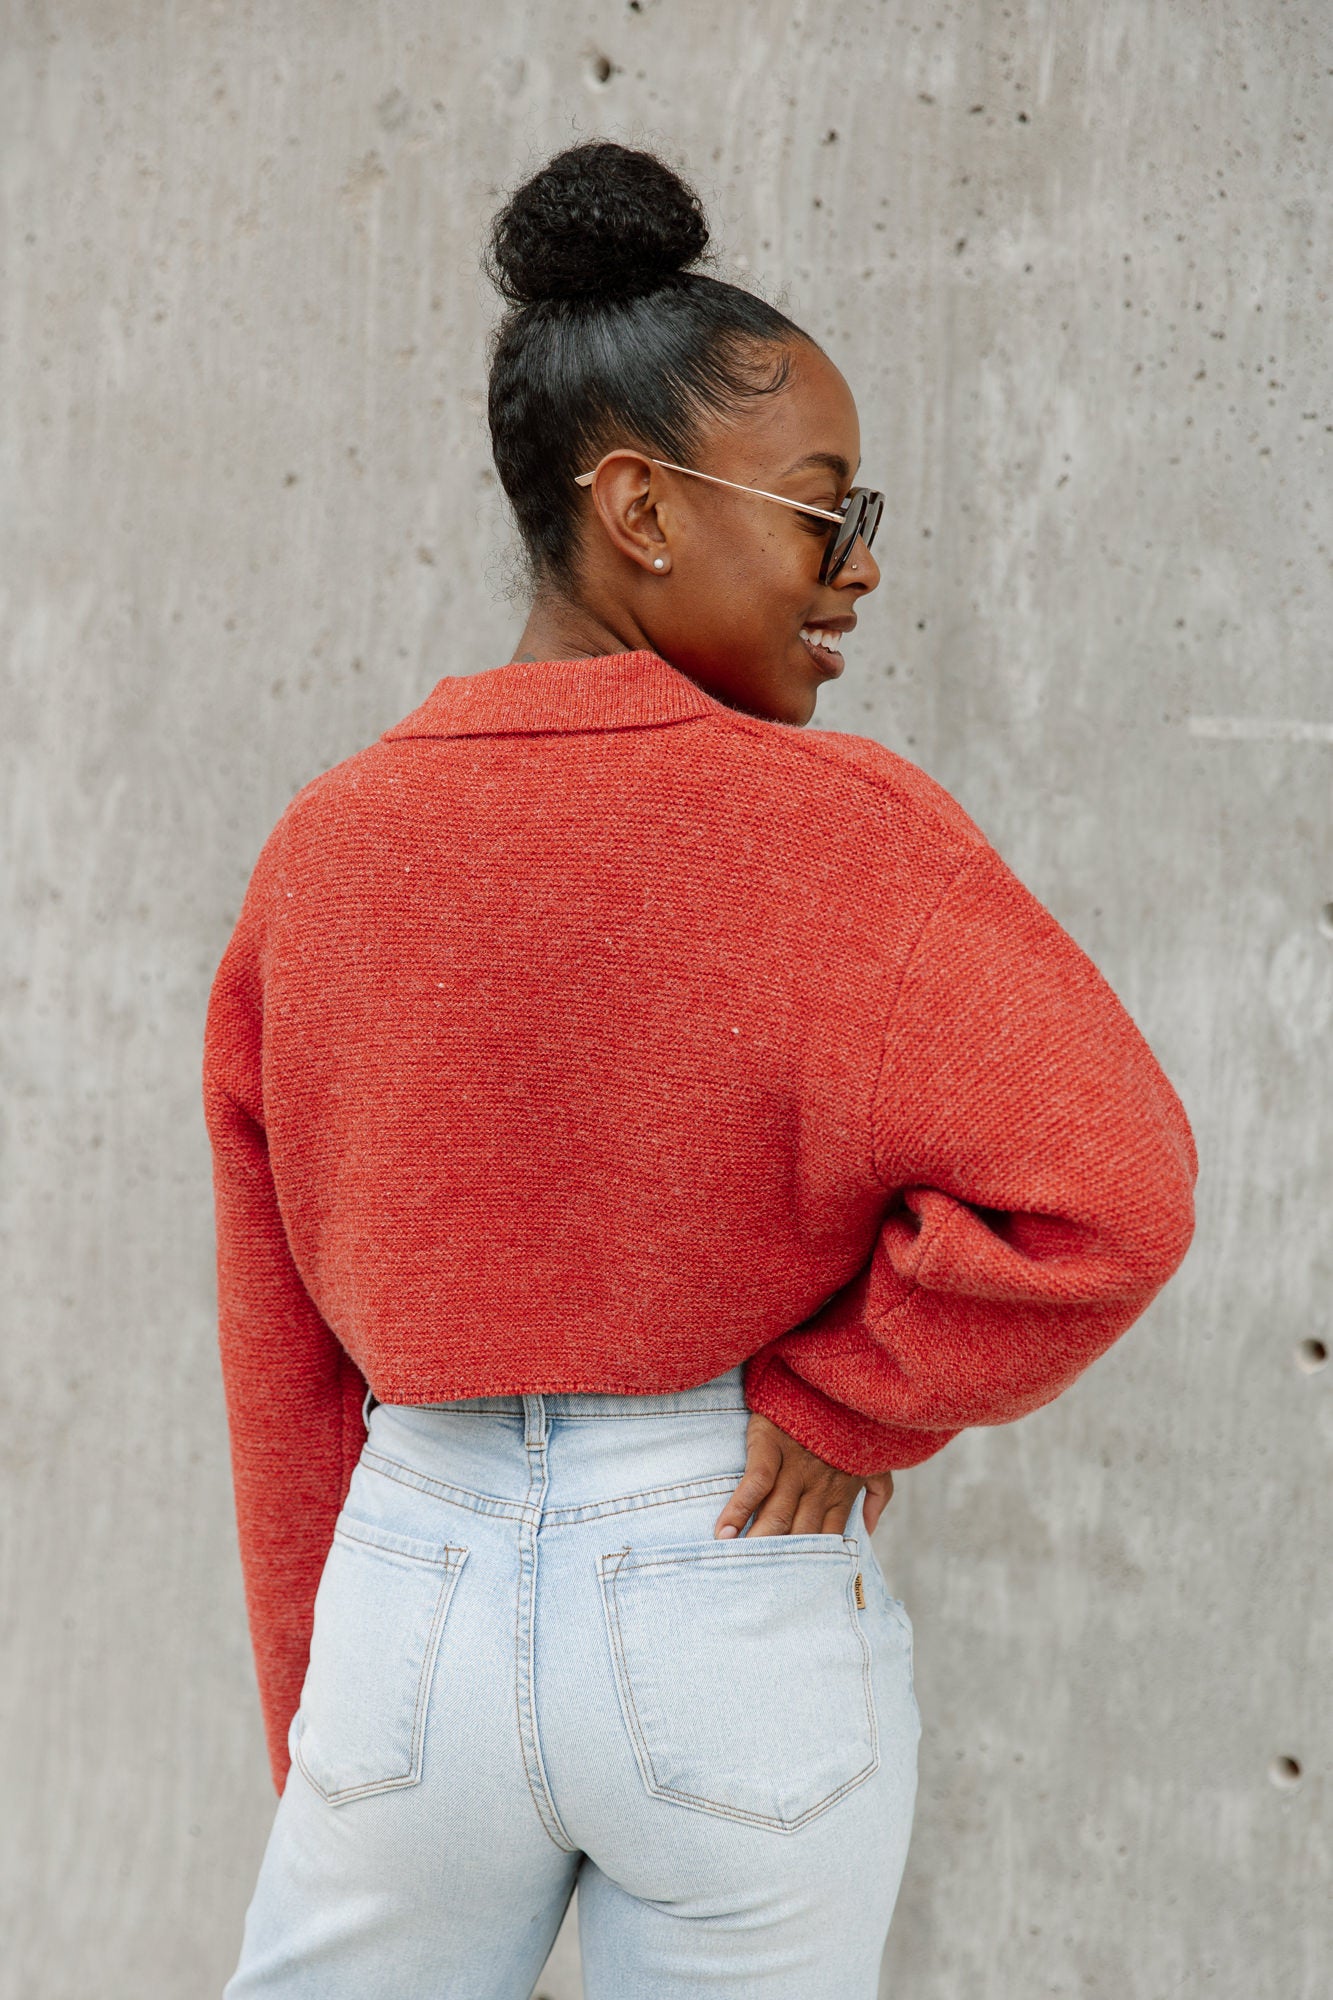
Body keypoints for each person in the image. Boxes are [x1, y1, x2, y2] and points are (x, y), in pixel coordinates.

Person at [204, 140, 1197, 1999]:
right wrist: (847, 1401)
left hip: (404, 1588)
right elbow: (1112, 1195)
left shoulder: (324, 848)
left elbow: (282, 1351)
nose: (862, 563)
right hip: (715, 1577)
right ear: (640, 507)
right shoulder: (842, 832)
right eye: (823, 509)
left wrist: (326, 1715)